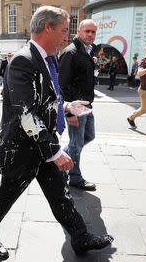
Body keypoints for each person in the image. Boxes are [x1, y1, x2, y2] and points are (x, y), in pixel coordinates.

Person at [0, 6, 113, 260]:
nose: (65, 37)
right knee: (6, 196)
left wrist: (65, 107)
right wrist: (55, 151)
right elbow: (26, 112)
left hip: (42, 147)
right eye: (63, 31)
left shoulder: (49, 58)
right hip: (22, 149)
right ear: (47, 28)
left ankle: (81, 238)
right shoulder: (22, 60)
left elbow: (41, 101)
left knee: (60, 194)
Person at [58, 19, 98, 191]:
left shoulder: (87, 51)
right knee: (76, 142)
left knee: (88, 137)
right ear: (79, 31)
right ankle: (74, 177)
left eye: (93, 32)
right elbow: (63, 85)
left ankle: (59, 159)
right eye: (87, 31)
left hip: (87, 105)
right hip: (76, 107)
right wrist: (70, 113)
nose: (90, 34)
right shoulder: (71, 52)